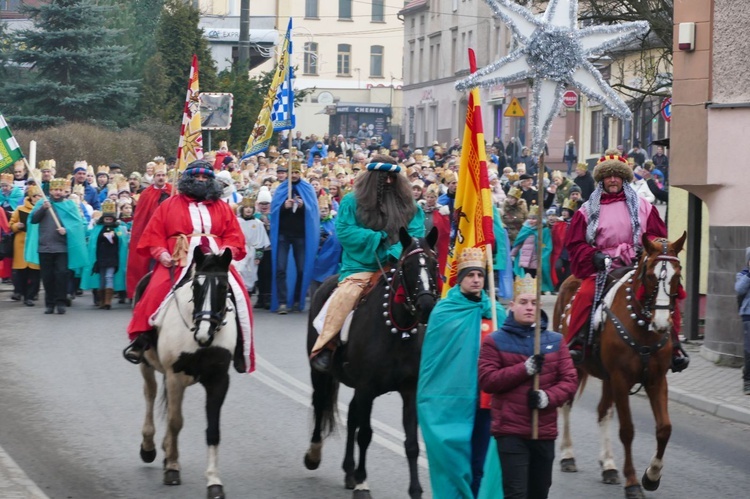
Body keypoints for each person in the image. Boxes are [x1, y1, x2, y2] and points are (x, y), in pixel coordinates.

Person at [122, 160, 254, 374]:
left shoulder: (222, 207)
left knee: (240, 297)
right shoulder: (169, 205)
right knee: (155, 290)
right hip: (178, 259)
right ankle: (142, 340)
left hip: (214, 259)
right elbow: (153, 235)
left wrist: (227, 250)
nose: (201, 181)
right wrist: (161, 253)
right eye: (196, 177)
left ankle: (240, 347)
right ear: (188, 179)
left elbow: (233, 235)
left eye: (205, 178)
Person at [564, 152, 689, 371]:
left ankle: (675, 346)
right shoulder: (586, 210)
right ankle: (577, 342)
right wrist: (594, 255)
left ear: (624, 178)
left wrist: (647, 248)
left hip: (637, 264)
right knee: (584, 293)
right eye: (608, 175)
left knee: (670, 291)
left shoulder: (644, 207)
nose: (613, 179)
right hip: (604, 267)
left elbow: (657, 236)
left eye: (617, 175)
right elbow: (575, 244)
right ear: (601, 179)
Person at [309, 155, 425, 372]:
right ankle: (327, 345)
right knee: (346, 295)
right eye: (384, 178)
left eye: (393, 178)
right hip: (361, 265)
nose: (389, 182)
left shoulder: (410, 206)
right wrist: (377, 238)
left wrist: (396, 250)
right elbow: (344, 230)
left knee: (426, 293)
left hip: (399, 263)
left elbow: (416, 233)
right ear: (373, 178)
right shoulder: (351, 202)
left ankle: (430, 351)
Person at [478, 274, 578, 499]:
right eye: (523, 302)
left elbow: (570, 381)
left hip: (543, 432)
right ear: (512, 305)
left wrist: (547, 397)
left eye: (534, 302)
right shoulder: (494, 341)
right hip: (511, 433)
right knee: (516, 494)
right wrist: (525, 369)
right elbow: (488, 380)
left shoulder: (555, 340)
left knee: (539, 493)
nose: (529, 307)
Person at [418, 247, 507, 498]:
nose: (476, 279)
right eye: (470, 275)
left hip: (487, 402)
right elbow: (434, 362)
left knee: (481, 462)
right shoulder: (445, 312)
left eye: (480, 275)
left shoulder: (496, 312)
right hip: (453, 403)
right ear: (461, 279)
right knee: (456, 462)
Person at [24, 178, 89, 314]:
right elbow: (33, 220)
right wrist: (43, 208)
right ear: (50, 191)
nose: (57, 192)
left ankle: (61, 301)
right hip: (45, 247)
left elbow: (77, 225)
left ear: (64, 191)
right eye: (55, 190)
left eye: (60, 190)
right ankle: (50, 303)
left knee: (61, 275)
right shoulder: (43, 203)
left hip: (61, 248)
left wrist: (67, 230)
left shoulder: (70, 205)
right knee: (47, 277)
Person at [270, 160, 319, 314]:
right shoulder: (281, 189)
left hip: (301, 236)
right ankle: (283, 302)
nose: (294, 175)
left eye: (297, 172)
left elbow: (313, 212)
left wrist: (303, 206)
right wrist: (284, 207)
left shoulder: (307, 189)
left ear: (301, 173)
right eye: (292, 172)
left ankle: (297, 299)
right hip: (283, 235)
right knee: (280, 268)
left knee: (301, 269)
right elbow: (274, 211)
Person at [125, 161, 172, 298]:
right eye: (158, 175)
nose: (161, 177)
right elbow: (141, 218)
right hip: (153, 236)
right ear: (154, 177)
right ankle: (150, 294)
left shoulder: (173, 191)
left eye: (163, 175)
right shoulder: (146, 194)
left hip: (169, 235)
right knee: (151, 267)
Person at [81, 199, 128, 309]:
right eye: (106, 219)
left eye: (110, 219)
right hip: (100, 258)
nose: (108, 221)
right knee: (102, 278)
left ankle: (108, 301)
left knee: (109, 277)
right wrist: (104, 236)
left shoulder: (118, 229)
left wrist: (114, 236)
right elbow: (93, 242)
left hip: (113, 258)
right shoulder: (98, 229)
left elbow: (122, 242)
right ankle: (101, 300)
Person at [9, 185, 43, 305]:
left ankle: (31, 295)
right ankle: (20, 292)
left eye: (40, 196)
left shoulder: (43, 209)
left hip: (36, 243)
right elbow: (11, 224)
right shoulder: (20, 209)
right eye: (36, 196)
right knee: (21, 272)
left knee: (34, 273)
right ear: (31, 197)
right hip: (21, 242)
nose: (38, 198)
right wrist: (16, 226)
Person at [510, 206, 553, 293]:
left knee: (535, 275)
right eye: (530, 218)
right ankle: (529, 291)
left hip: (536, 258)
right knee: (527, 275)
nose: (531, 221)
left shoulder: (543, 229)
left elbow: (547, 243)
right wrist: (513, 254)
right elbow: (519, 242)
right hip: (525, 258)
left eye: (534, 219)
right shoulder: (525, 229)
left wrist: (543, 254)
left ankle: (537, 290)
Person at [309, 193, 342, 300]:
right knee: (315, 278)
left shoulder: (334, 222)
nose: (323, 213)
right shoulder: (313, 222)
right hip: (318, 256)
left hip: (331, 257)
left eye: (325, 210)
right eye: (321, 210)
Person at [236, 196, 270, 295]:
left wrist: (258, 255)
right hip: (240, 251)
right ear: (242, 209)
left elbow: (261, 241)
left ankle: (248, 295)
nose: (248, 209)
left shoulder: (258, 223)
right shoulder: (237, 222)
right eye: (246, 207)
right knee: (239, 271)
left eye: (250, 207)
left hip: (252, 252)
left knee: (250, 275)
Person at [735, 248, 750, 395]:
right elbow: (739, 290)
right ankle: (747, 381)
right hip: (748, 316)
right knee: (749, 350)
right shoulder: (743, 275)